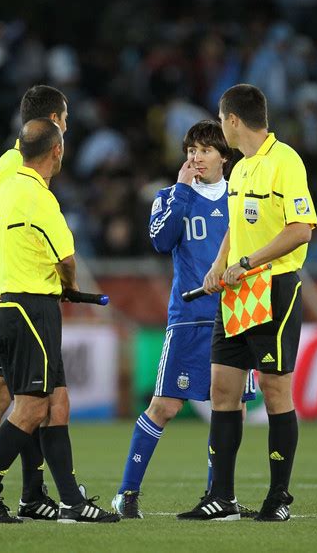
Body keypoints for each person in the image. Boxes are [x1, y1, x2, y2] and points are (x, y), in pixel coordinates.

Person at [0, 118, 120, 524]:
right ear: (57, 150)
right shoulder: (39, 196)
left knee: (56, 401)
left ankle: (70, 500)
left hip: (7, 304)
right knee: (31, 408)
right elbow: (66, 260)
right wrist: (67, 285)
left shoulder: (3, 188)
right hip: (33, 307)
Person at [178, 84, 317, 522]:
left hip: (274, 288)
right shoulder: (238, 171)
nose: (221, 128)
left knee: (276, 391)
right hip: (237, 293)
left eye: (221, 121)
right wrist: (219, 265)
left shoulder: (286, 161)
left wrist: (246, 261)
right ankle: (220, 497)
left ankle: (278, 499)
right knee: (223, 389)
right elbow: (234, 227)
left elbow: (302, 228)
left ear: (233, 120)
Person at [112, 120, 256, 519]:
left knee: (233, 409)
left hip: (234, 317)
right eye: (191, 150)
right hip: (189, 319)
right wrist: (181, 191)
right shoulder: (171, 196)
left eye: (206, 150)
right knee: (165, 406)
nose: (196, 157)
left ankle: (218, 494)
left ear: (224, 156)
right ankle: (127, 493)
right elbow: (160, 241)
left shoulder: (240, 198)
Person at [0, 85, 69, 521]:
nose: (67, 128)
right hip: (4, 293)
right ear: (52, 121)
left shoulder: (19, 166)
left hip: (8, 291)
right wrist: (19, 277)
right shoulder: (15, 168)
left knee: (27, 393)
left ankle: (30, 493)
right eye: (64, 119)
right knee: (1, 394)